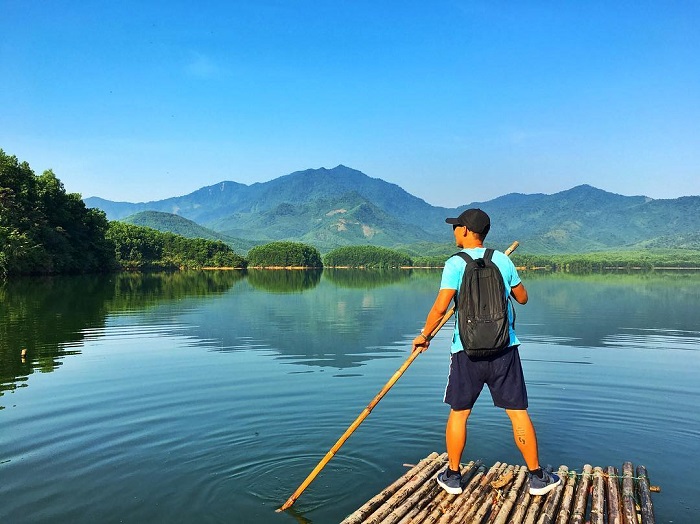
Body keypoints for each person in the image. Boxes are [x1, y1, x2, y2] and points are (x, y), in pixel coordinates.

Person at [412, 208, 560, 497]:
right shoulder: (502, 260)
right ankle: (537, 478)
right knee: (518, 413)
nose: (454, 231)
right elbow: (523, 298)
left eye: (456, 227)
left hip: (466, 351)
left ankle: (453, 476)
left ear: (466, 231)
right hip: (504, 349)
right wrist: (503, 285)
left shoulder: (455, 264)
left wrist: (424, 336)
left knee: (459, 413)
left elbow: (441, 308)